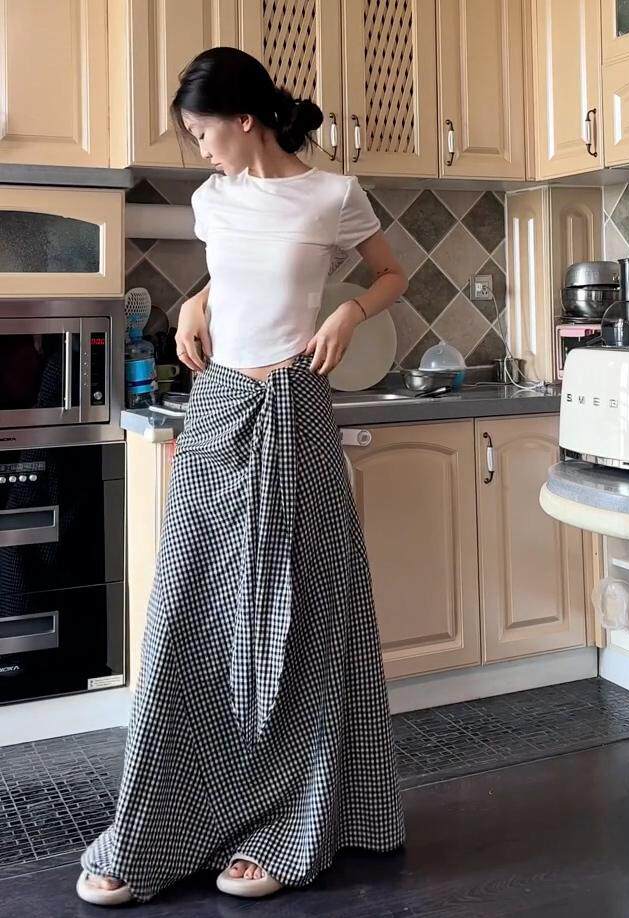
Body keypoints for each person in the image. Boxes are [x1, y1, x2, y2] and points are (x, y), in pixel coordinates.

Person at [76, 45, 409, 907]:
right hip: (219, 407)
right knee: (187, 611)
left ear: (244, 118)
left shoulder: (333, 194)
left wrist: (349, 309)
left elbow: (391, 273)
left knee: (308, 617)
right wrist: (196, 300)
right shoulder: (209, 199)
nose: (200, 148)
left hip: (297, 408)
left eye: (202, 131)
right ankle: (156, 826)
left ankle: (288, 824)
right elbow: (236, 273)